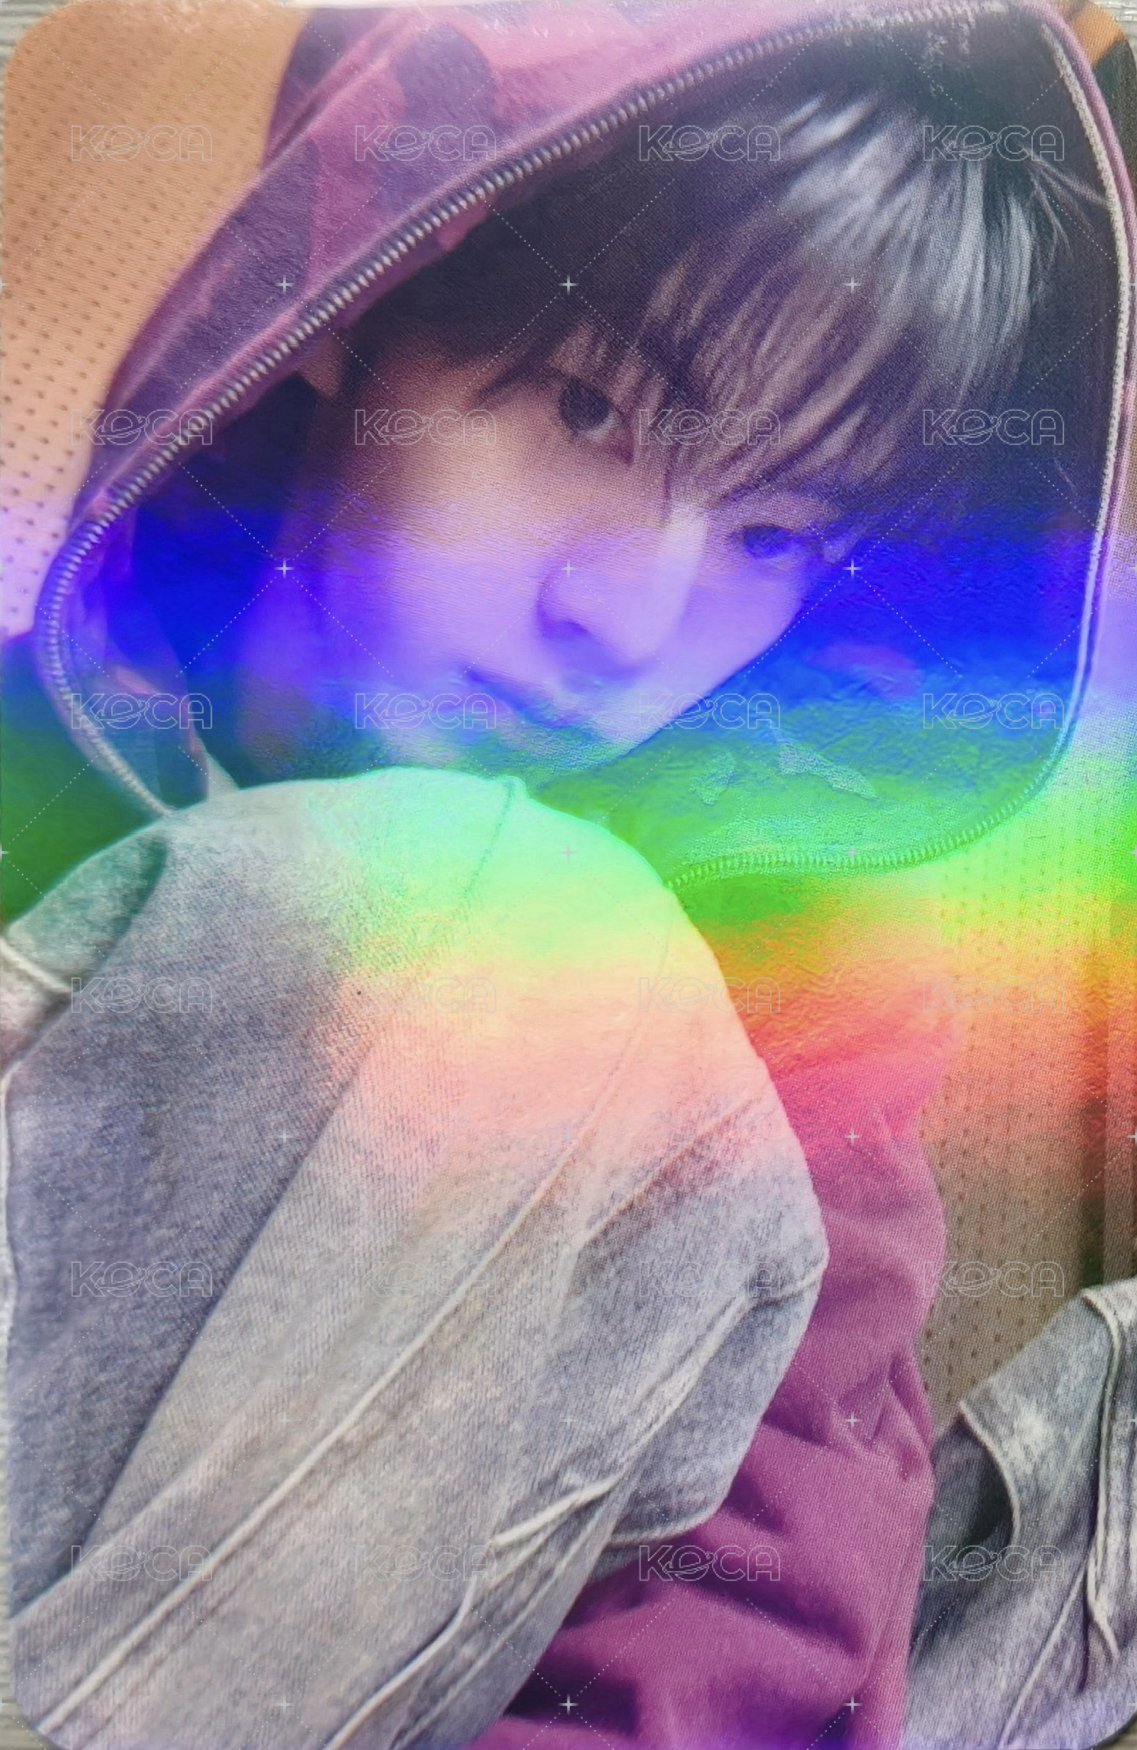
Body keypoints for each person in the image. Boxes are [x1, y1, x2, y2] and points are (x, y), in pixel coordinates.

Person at [2, 2, 1132, 1748]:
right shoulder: (37, 743)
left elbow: (760, 1584)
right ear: (356, 305)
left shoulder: (787, 963)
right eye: (587, 410)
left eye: (772, 535)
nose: (627, 615)